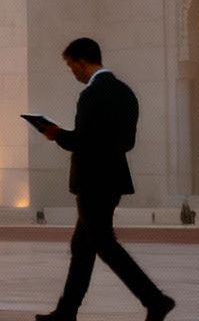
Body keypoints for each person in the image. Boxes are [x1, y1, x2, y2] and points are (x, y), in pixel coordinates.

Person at [36, 39, 175, 321]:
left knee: (104, 244)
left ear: (82, 62)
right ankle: (67, 310)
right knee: (83, 246)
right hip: (113, 180)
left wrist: (56, 133)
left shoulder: (91, 95)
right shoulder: (126, 93)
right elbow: (128, 142)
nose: (72, 72)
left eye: (71, 66)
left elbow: (82, 140)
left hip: (92, 182)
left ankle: (155, 299)